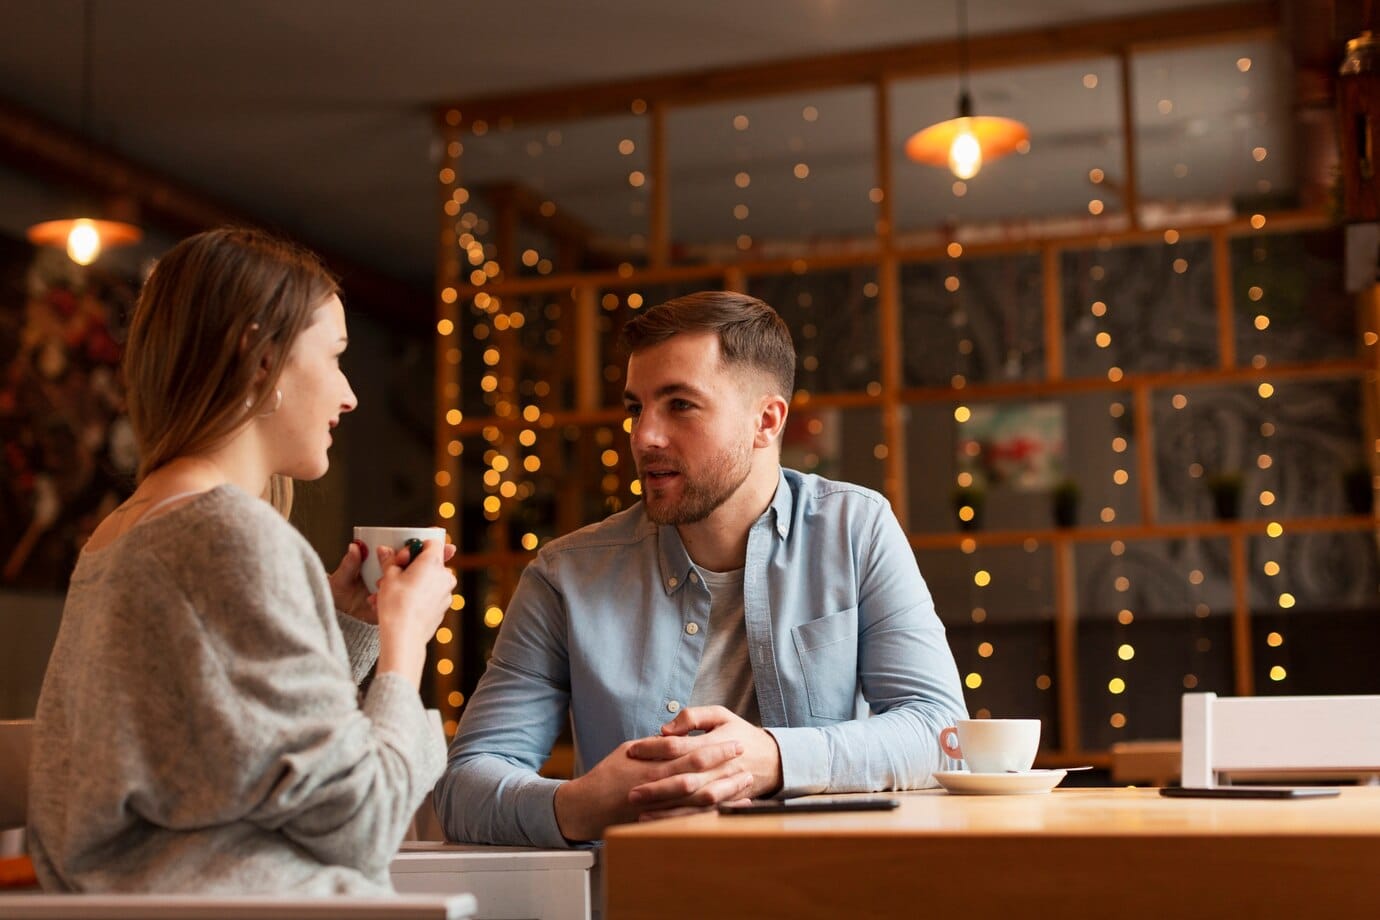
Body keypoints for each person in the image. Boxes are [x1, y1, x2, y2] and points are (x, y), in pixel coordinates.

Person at [436, 290, 966, 847]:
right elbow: (464, 787)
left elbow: (941, 730)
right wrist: (586, 802)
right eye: (636, 408)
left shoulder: (855, 530)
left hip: (823, 891)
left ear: (766, 420)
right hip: (639, 899)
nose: (643, 437)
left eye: (679, 405)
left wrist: (774, 757)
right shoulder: (564, 576)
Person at [27, 228, 457, 894]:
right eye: (336, 357)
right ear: (260, 357)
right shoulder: (231, 534)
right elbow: (364, 825)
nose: (350, 396)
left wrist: (347, 628)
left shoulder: (121, 532)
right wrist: (406, 645)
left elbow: (231, 747)